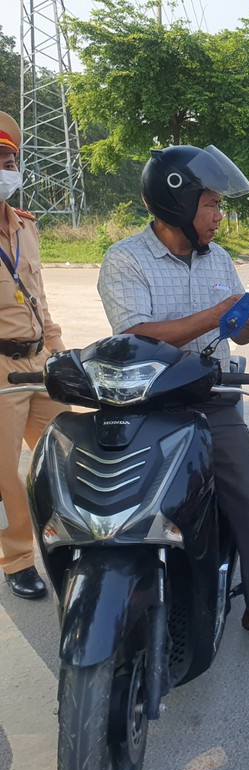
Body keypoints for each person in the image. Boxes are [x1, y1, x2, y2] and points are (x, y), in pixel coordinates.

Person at [97, 144, 249, 654]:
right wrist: (218, 312)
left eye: (220, 204)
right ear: (177, 202)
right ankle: (114, 592)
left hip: (212, 396)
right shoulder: (126, 259)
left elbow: (237, 334)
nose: (219, 215)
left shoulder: (219, 259)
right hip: (146, 402)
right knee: (126, 506)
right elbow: (137, 336)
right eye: (211, 204)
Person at [0, 110, 67, 600]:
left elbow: (38, 297)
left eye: (8, 159)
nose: (4, 169)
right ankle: (17, 558)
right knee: (6, 474)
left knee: (64, 453)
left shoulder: (26, 227)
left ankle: (66, 538)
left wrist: (60, 353)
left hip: (39, 361)